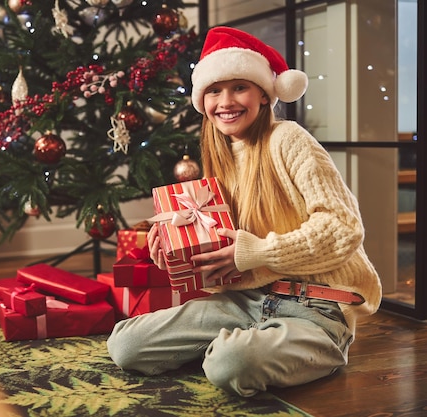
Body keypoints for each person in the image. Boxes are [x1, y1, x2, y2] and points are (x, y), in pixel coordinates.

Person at [107, 26, 382, 397]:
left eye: (240, 87)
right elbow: (225, 263)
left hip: (316, 305)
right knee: (126, 345)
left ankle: (316, 349)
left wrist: (255, 252)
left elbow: (343, 228)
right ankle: (250, 347)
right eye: (215, 91)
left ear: (265, 96)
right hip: (245, 300)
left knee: (229, 364)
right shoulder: (218, 159)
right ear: (202, 101)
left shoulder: (289, 139)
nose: (226, 101)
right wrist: (176, 257)